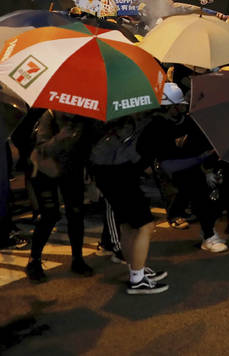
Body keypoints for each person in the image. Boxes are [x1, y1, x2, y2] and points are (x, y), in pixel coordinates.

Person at [89, 110, 171, 294]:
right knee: (145, 226)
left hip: (108, 171)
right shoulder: (145, 121)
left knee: (128, 225)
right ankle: (137, 279)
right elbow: (139, 152)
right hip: (119, 173)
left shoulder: (116, 115)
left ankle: (135, 269)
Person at [155, 83, 227, 253]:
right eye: (177, 104)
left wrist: (206, 164)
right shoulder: (157, 127)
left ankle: (208, 232)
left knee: (204, 200)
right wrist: (201, 159)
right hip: (176, 169)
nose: (182, 106)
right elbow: (167, 164)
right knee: (199, 200)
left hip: (192, 167)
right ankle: (208, 235)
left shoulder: (186, 121)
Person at [24, 110, 95, 282]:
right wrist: (60, 137)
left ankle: (77, 259)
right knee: (50, 215)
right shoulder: (49, 116)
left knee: (76, 213)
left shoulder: (84, 117)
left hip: (72, 170)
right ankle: (34, 260)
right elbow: (42, 148)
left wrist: (89, 168)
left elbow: (87, 146)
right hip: (46, 172)